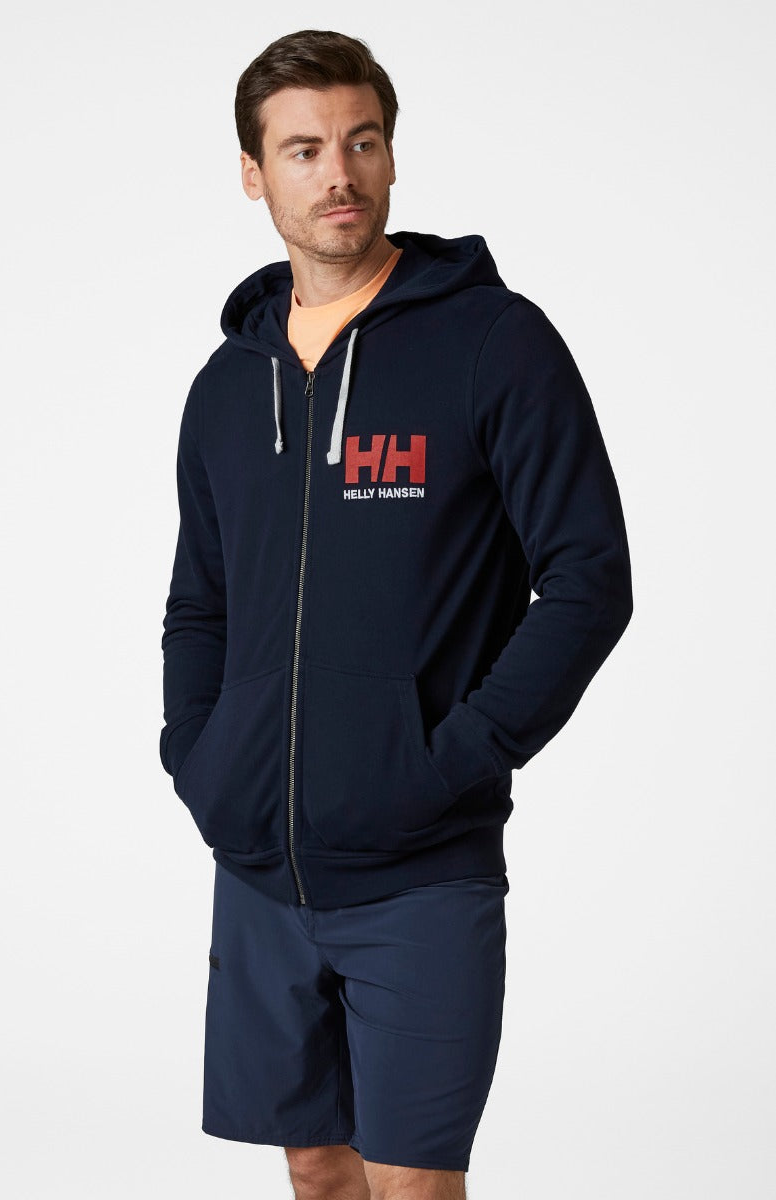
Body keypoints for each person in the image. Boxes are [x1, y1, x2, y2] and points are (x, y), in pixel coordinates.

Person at [159, 28, 633, 1200]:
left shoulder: (491, 344)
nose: (339, 174)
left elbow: (587, 576)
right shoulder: (227, 388)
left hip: (421, 872)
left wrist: (453, 761)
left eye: (361, 142)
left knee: (412, 1184)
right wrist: (199, 758)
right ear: (252, 172)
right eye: (304, 149)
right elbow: (199, 603)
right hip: (259, 873)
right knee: (318, 1172)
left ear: (389, 154)